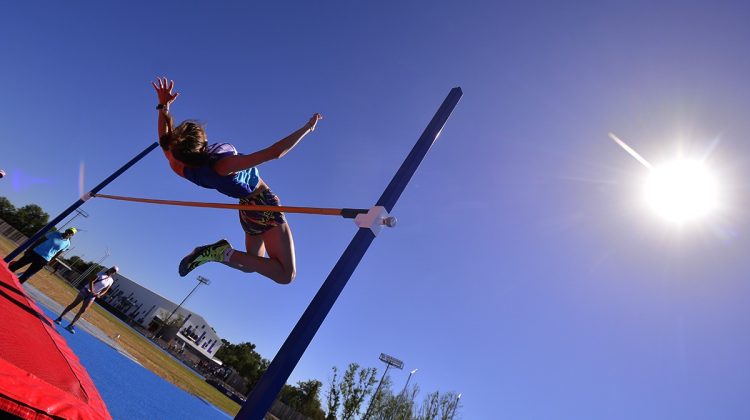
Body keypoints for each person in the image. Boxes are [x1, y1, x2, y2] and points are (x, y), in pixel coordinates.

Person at [152, 77, 322, 284]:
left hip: (247, 209)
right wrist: (307, 128)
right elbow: (274, 153)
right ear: (203, 139)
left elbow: (164, 140)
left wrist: (164, 106)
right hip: (262, 204)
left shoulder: (179, 166)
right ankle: (218, 252)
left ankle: (221, 253)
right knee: (286, 275)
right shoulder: (223, 165)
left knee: (252, 265)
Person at [54, 266, 118, 333]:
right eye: (112, 270)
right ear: (109, 269)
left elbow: (105, 290)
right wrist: (92, 290)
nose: (112, 271)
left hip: (92, 296)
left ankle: (71, 325)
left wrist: (99, 295)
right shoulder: (100, 274)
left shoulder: (111, 281)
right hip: (86, 290)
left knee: (83, 310)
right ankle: (59, 318)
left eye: (114, 271)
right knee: (74, 304)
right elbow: (91, 281)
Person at [8, 228, 76, 283]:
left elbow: (58, 253)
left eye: (71, 233)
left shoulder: (68, 244)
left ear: (72, 235)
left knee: (27, 275)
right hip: (35, 252)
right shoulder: (54, 233)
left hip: (44, 259)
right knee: (16, 265)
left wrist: (50, 261)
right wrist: (30, 249)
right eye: (69, 231)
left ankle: (13, 286)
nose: (69, 233)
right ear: (66, 230)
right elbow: (41, 240)